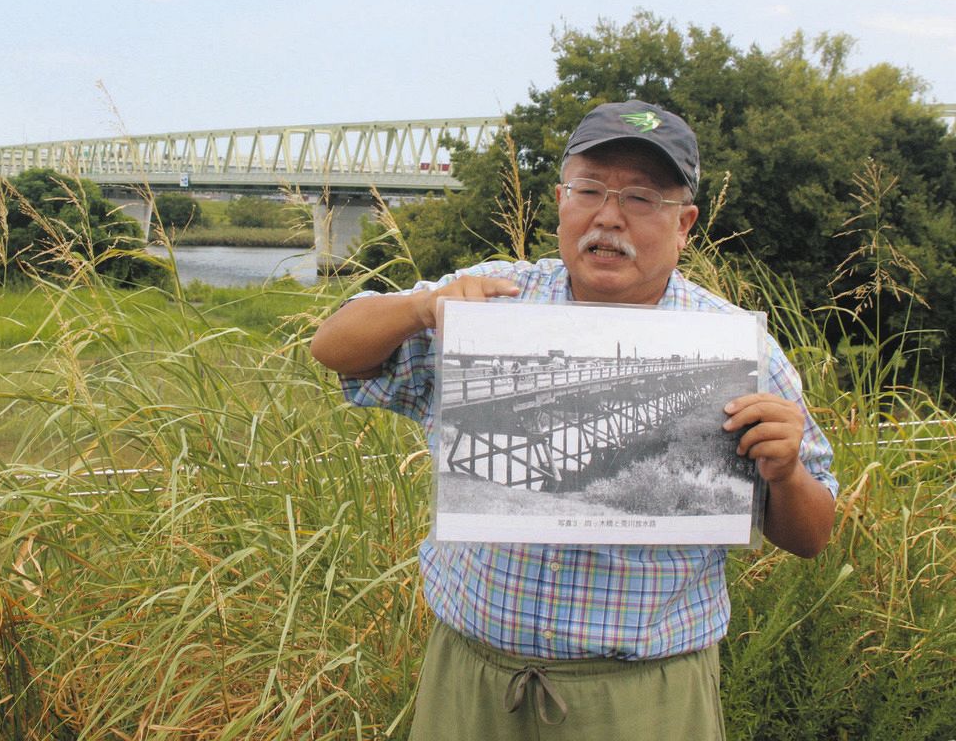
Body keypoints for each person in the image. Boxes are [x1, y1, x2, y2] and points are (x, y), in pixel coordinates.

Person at [310, 100, 838, 740]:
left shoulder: (735, 347)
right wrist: (422, 308)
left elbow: (811, 535)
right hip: (472, 678)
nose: (608, 216)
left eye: (641, 198)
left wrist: (784, 472)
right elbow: (332, 347)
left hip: (644, 694)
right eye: (589, 190)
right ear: (561, 201)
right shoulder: (488, 300)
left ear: (684, 224)